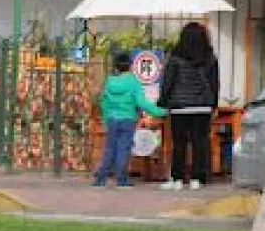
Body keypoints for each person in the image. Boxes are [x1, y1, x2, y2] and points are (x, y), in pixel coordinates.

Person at [157, 22, 220, 190]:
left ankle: (177, 179)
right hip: (202, 106)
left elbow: (167, 83)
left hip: (179, 106)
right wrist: (213, 105)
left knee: (179, 143)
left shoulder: (175, 59)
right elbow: (215, 85)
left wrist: (162, 102)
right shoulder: (210, 59)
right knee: (200, 142)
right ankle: (197, 179)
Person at [93, 52, 167, 188]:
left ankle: (100, 179)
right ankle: (121, 179)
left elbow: (104, 102)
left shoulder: (109, 81)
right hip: (128, 119)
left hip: (111, 119)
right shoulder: (133, 82)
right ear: (130, 65)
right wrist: (160, 111)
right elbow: (141, 102)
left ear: (115, 66)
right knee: (123, 149)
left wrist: (105, 118)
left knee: (109, 149)